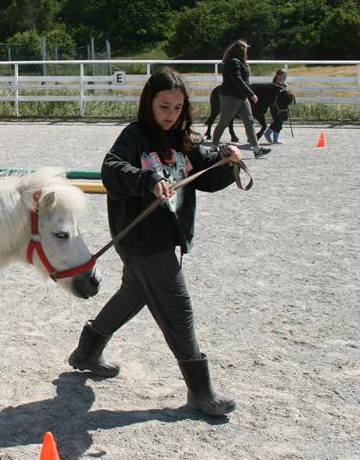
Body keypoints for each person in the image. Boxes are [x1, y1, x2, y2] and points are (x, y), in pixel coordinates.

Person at [68, 67, 243, 417]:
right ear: (149, 103)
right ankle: (201, 391)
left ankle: (87, 351)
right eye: (164, 106)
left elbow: (206, 177)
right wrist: (147, 180)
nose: (170, 114)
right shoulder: (134, 136)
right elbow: (111, 169)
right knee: (178, 308)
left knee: (134, 294)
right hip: (140, 240)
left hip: (165, 240)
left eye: (177, 108)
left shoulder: (185, 140)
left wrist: (228, 163)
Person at [211, 40, 270, 159]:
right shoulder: (233, 62)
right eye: (245, 50)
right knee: (224, 122)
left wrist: (247, 94)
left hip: (241, 97)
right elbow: (238, 80)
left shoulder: (237, 62)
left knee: (249, 121)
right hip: (231, 97)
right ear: (241, 50)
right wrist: (251, 94)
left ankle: (256, 149)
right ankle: (213, 147)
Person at [262, 70, 289, 144]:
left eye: (285, 76)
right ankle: (269, 134)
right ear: (278, 76)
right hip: (275, 106)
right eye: (283, 76)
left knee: (280, 121)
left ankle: (274, 137)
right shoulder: (273, 85)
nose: (284, 78)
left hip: (282, 106)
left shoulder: (284, 85)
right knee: (278, 121)